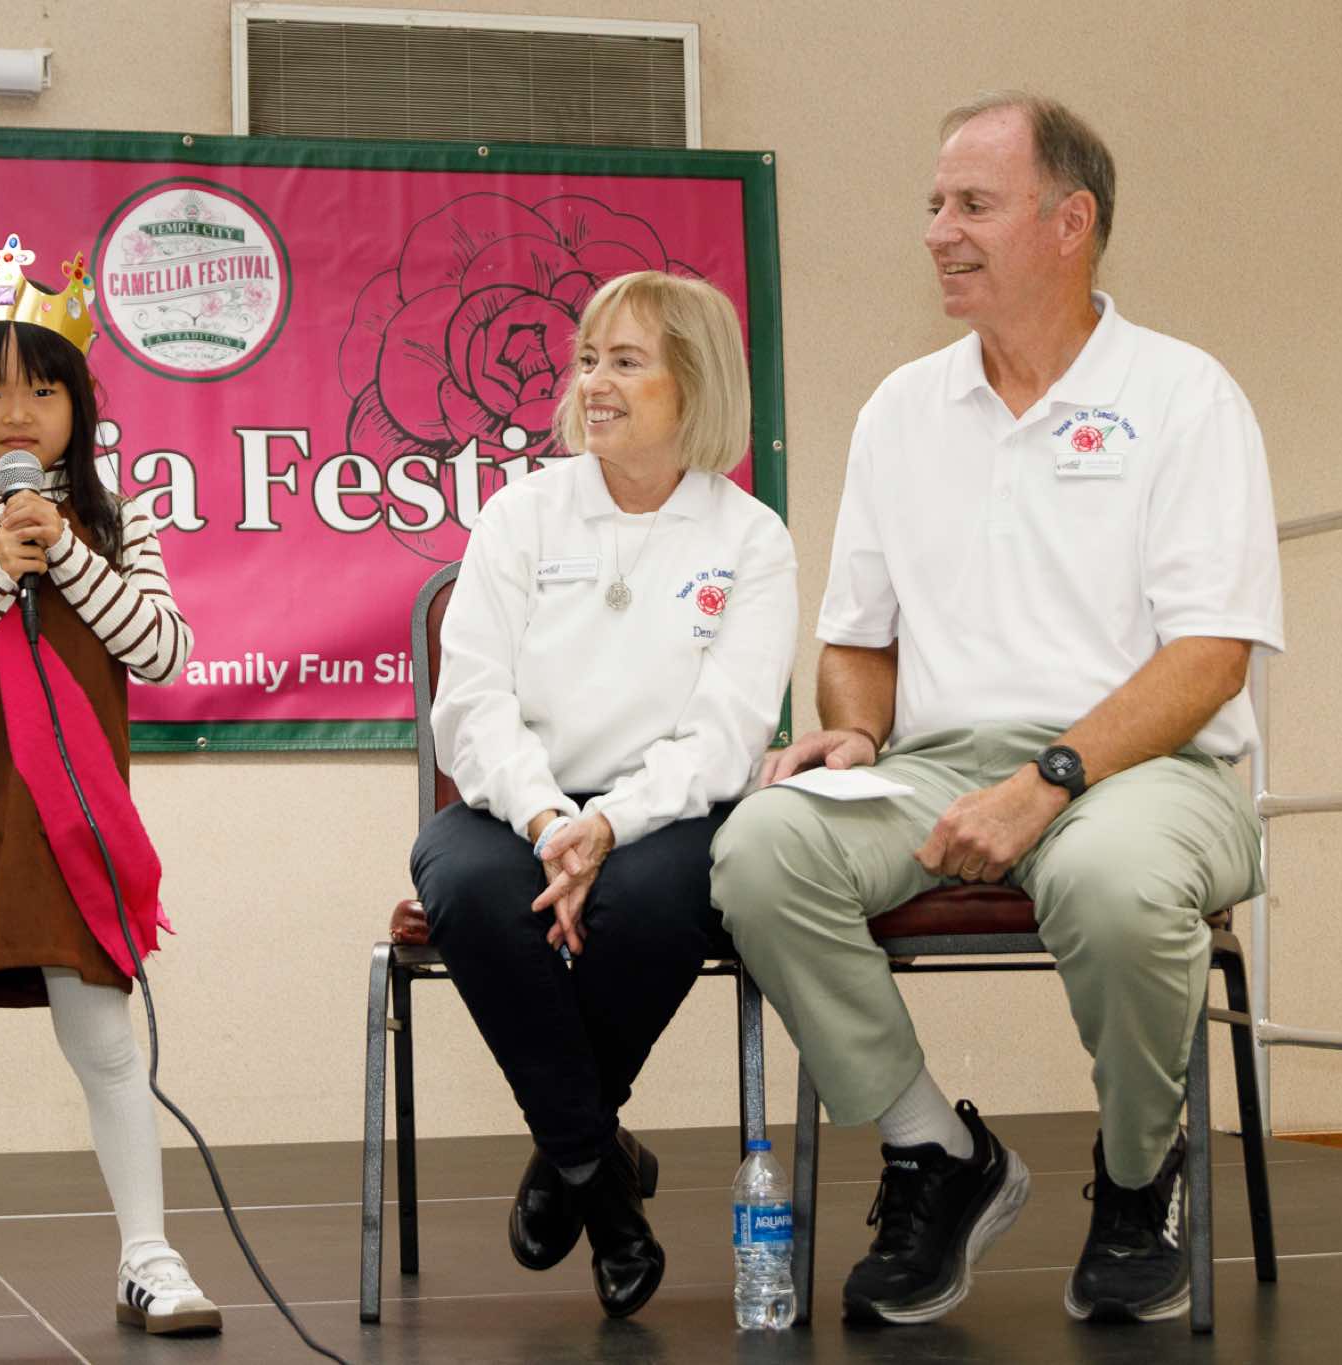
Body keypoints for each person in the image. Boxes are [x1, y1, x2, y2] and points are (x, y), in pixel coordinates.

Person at [710, 93, 1283, 1327]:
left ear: (1068, 223)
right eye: (932, 205)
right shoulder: (900, 409)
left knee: (1114, 885)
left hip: (1150, 767)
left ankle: (1136, 1179)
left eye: (971, 204)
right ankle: (937, 1152)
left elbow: (1208, 660)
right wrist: (854, 729)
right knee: (759, 847)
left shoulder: (1182, 395)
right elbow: (856, 640)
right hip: (935, 763)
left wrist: (1045, 784)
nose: (936, 231)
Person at [403, 269, 798, 1318]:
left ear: (694, 383)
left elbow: (727, 732)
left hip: (669, 812)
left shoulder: (749, 538)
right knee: (467, 886)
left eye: (625, 361)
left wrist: (611, 825)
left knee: (656, 899)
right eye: (587, 360)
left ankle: (565, 1149)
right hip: (517, 808)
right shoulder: (521, 514)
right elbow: (470, 705)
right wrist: (550, 821)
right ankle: (603, 1182)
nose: (593, 383)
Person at [0, 236, 219, 1357]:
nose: (16, 413)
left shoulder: (119, 527)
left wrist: (64, 553)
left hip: (73, 825)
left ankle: (147, 1257)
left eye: (40, 390)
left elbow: (161, 651)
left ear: (78, 405)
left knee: (104, 1040)